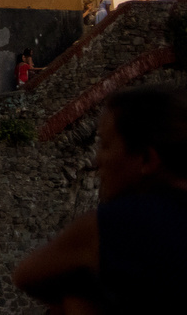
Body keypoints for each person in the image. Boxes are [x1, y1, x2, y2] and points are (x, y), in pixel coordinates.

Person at [12, 85, 187, 313]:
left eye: (105, 145)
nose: (96, 161)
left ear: (146, 159)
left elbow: (27, 276)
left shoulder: (120, 224)